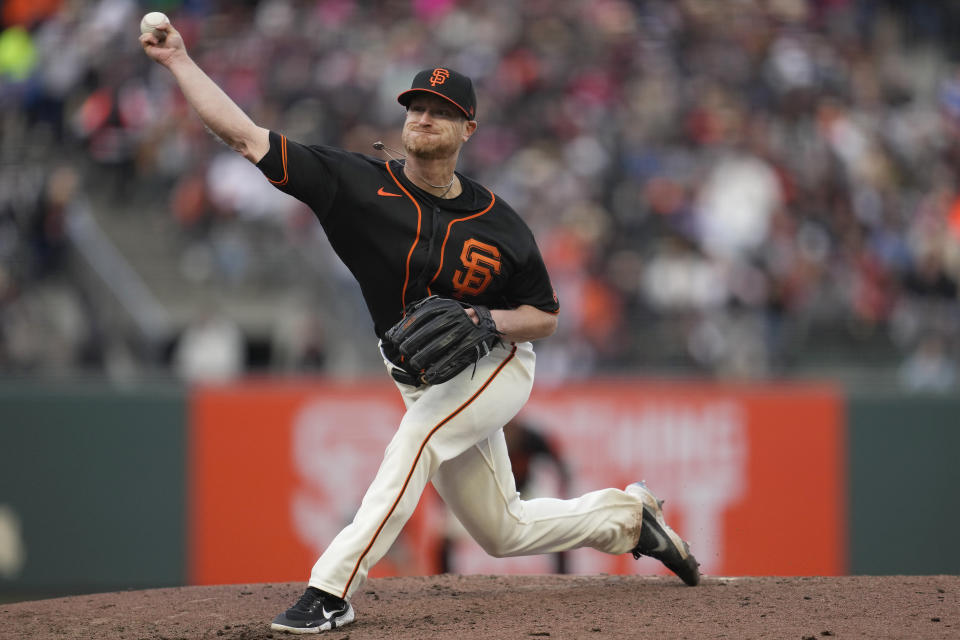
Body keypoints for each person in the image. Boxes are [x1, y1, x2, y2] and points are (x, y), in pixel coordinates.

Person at [140, 17, 700, 634]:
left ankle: (332, 589)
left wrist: (486, 318)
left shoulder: (500, 222)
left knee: (419, 440)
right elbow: (247, 138)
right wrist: (179, 63)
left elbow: (544, 316)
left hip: (497, 361)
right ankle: (629, 519)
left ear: (468, 129)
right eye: (416, 106)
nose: (423, 118)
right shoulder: (352, 183)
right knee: (501, 530)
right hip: (419, 372)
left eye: (440, 110)